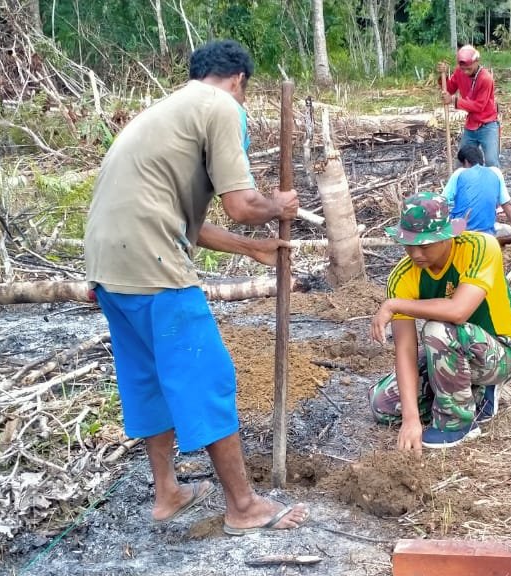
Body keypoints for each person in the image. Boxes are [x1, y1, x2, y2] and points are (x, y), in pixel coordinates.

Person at [84, 40, 310, 536]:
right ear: (238, 82)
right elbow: (242, 204)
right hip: (153, 266)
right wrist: (279, 206)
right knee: (206, 376)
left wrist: (253, 250)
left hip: (107, 266)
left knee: (148, 376)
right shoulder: (221, 107)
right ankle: (244, 506)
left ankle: (167, 493)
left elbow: (186, 223)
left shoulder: (165, 111)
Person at [369, 192, 511, 451]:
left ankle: (457, 422)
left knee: (437, 328)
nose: (415, 253)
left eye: (425, 244)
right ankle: (470, 394)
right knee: (382, 405)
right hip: (450, 352)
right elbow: (406, 349)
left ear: (447, 236)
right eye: (409, 244)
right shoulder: (402, 277)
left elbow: (458, 311)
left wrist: (394, 305)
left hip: (501, 351)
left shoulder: (480, 247)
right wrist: (410, 419)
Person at [442, 143, 511, 245]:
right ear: (481, 159)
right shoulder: (496, 172)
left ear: (465, 162)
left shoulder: (459, 173)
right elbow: (507, 205)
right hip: (487, 235)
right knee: (510, 230)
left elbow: (441, 203)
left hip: (460, 232)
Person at [437, 45, 501, 168]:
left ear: (477, 61)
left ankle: (495, 185)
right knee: (461, 163)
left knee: (491, 162)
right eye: (463, 68)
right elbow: (450, 89)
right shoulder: (459, 72)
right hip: (471, 126)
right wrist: (443, 76)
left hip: (488, 125)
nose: (465, 71)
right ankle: (465, 185)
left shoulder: (486, 78)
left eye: (468, 68)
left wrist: (454, 101)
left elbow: (479, 106)